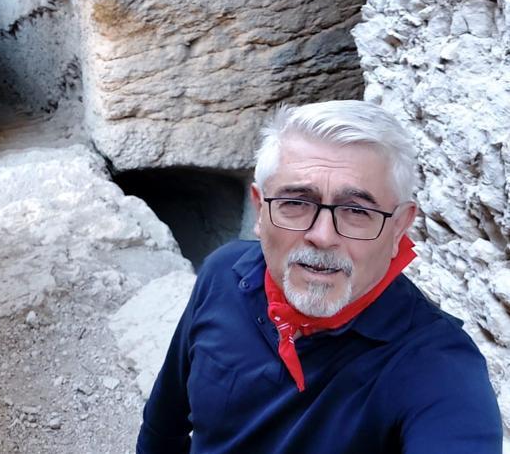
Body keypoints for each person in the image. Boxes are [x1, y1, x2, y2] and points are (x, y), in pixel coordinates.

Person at [136, 100, 502, 454]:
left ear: (398, 228)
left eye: (356, 211)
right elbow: (163, 425)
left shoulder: (439, 366)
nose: (323, 236)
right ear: (260, 210)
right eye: (296, 203)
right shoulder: (223, 275)